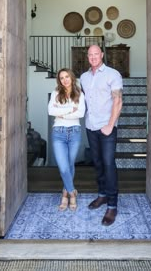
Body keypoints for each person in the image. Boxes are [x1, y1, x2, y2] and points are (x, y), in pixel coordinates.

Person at [80, 45, 123, 226]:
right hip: (91, 126)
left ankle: (112, 205)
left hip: (107, 128)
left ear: (102, 55)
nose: (93, 57)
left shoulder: (113, 74)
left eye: (96, 54)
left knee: (108, 164)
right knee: (97, 163)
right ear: (87, 57)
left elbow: (118, 101)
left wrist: (110, 125)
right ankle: (102, 195)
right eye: (90, 55)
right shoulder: (83, 77)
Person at [48, 68, 85, 211]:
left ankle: (65, 193)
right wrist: (71, 110)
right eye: (62, 77)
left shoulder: (79, 93)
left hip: (75, 132)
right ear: (59, 80)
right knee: (63, 166)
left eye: (67, 76)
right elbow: (51, 111)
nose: (65, 80)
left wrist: (61, 112)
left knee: (69, 164)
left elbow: (80, 113)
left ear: (72, 77)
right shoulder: (55, 93)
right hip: (58, 132)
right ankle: (72, 193)